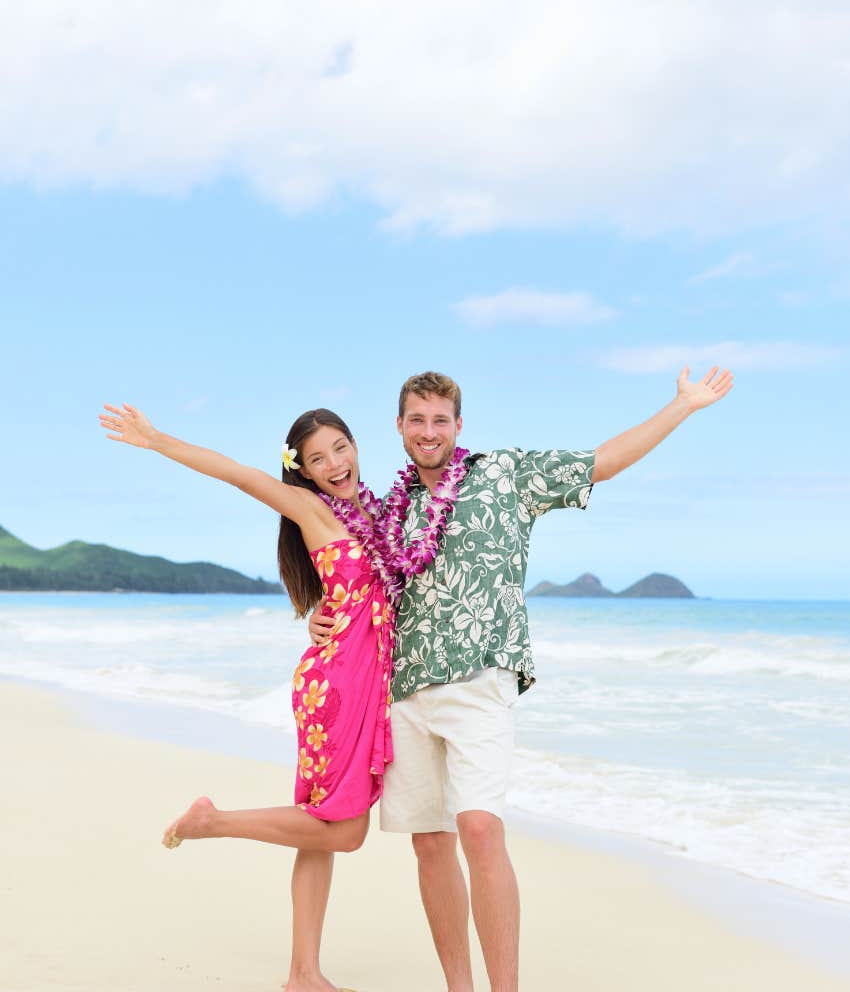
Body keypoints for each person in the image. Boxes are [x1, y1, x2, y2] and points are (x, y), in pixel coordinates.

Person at [310, 366, 733, 992]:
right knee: (430, 845)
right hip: (403, 690)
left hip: (481, 678)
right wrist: (321, 617)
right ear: (399, 427)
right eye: (417, 420)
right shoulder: (388, 511)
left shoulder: (504, 474)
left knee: (479, 827)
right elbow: (358, 588)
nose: (429, 432)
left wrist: (682, 407)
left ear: (458, 425)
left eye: (440, 420)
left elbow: (604, 462)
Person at [99, 402, 399, 992]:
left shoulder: (384, 514)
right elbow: (237, 473)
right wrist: (158, 439)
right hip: (336, 687)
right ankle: (211, 822)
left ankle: (302, 975)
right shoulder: (311, 509)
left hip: (366, 684)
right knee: (342, 830)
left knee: (320, 832)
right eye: (318, 458)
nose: (335, 463)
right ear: (304, 472)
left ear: (356, 445)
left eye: (341, 447)